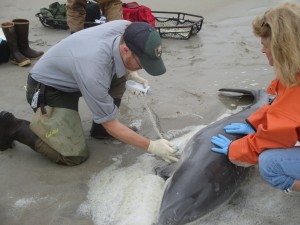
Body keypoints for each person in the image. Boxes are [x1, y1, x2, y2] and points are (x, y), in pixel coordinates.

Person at [0, 20, 178, 166]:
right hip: (47, 88)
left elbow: (120, 59)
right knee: (74, 156)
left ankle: (99, 129)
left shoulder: (127, 28)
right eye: (142, 63)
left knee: (120, 72)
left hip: (75, 75)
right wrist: (151, 146)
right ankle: (12, 126)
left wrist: (132, 71)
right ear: (126, 50)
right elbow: (112, 123)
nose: (144, 68)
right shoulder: (94, 69)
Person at [210, 2, 300, 193]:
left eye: (264, 45)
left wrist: (235, 150)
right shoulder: (294, 72)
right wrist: (253, 123)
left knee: (269, 164)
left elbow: (275, 138)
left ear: (281, 48)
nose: (262, 51)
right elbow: (282, 107)